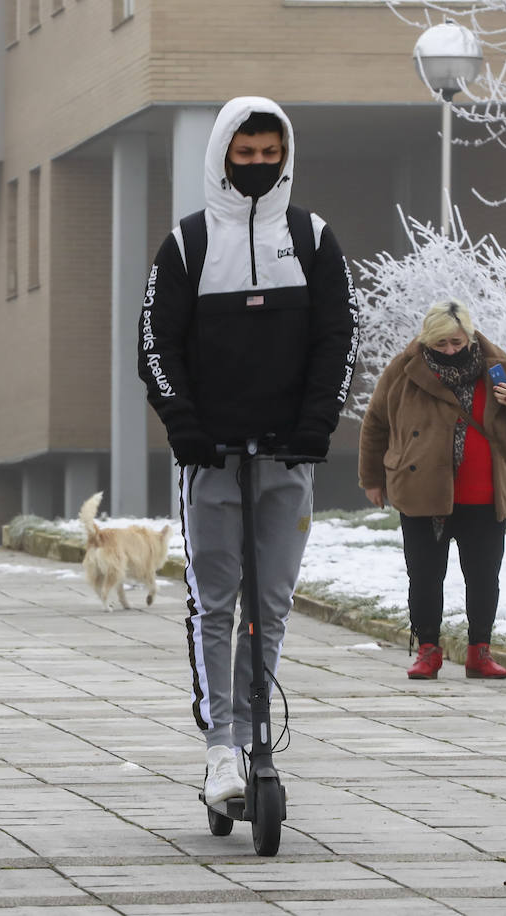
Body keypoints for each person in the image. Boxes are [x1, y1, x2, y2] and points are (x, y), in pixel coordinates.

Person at [138, 97, 359, 807]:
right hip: (211, 457)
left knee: (272, 605)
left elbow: (337, 339)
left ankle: (257, 729)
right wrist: (184, 425)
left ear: (284, 157)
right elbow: (155, 346)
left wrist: (316, 423)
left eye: (271, 155)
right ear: (223, 155)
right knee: (216, 604)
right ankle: (220, 749)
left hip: (288, 456)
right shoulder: (188, 246)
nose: (259, 166)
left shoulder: (314, 239)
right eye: (246, 154)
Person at [358, 299, 506, 680]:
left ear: (469, 336)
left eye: (457, 343)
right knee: (424, 576)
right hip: (422, 491)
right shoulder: (404, 370)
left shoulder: (498, 367)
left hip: (486, 493)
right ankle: (428, 651)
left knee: (483, 575)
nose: (450, 351)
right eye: (441, 344)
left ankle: (480, 651)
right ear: (427, 340)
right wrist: (372, 480)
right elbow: (375, 423)